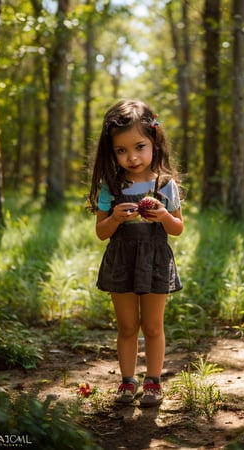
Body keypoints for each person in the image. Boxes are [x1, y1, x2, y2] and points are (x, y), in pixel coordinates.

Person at [89, 99, 183, 407]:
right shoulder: (111, 185)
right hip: (122, 261)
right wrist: (114, 218)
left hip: (155, 260)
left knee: (153, 326)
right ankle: (127, 381)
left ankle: (153, 381)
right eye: (121, 150)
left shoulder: (164, 184)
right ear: (111, 152)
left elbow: (178, 228)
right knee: (128, 326)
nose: (131, 157)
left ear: (154, 142)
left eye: (139, 147)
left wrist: (164, 217)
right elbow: (102, 232)